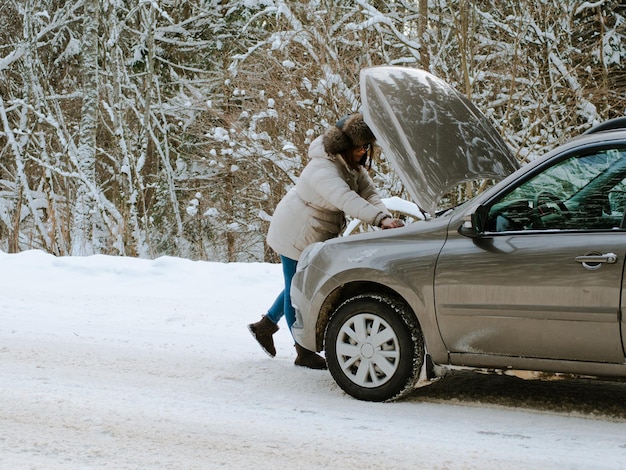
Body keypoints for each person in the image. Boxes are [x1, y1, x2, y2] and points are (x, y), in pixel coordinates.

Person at [248, 113, 404, 369]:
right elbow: (346, 199)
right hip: (296, 231)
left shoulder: (352, 165)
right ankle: (303, 351)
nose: (363, 151)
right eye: (359, 146)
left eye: (366, 146)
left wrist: (384, 217)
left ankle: (264, 327)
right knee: (295, 290)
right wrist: (379, 219)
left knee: (297, 284)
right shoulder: (323, 167)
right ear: (343, 144)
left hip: (316, 232)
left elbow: (368, 193)